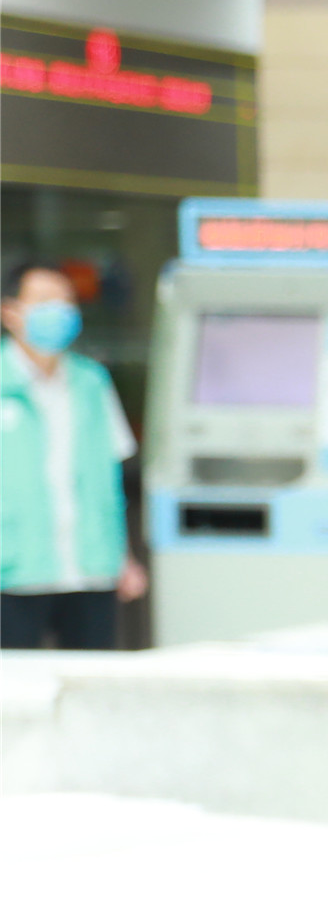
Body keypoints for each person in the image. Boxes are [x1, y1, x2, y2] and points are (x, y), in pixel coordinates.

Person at [0, 260, 144, 650]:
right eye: (45, 300)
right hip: (13, 572)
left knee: (91, 677)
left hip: (89, 568)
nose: (59, 311)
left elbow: (108, 479)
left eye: (66, 301)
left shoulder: (91, 381)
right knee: (13, 682)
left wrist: (123, 557)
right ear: (10, 312)